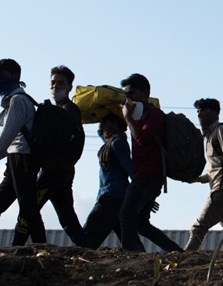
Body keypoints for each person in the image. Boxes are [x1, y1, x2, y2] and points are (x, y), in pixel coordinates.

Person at [13, 65, 89, 247]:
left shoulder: (69, 110)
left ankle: (16, 247)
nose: (55, 87)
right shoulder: (56, 110)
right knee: (67, 217)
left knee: (28, 211)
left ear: (70, 87)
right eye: (53, 83)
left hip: (54, 172)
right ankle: (87, 250)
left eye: (61, 83)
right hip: (62, 171)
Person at [0, 59, 46, 246]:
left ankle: (43, 247)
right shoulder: (16, 101)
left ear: (15, 76)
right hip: (16, 160)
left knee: (28, 208)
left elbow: (8, 137)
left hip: (23, 160)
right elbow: (11, 141)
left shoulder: (18, 101)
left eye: (1, 77)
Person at [119, 73, 181, 252]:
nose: (129, 100)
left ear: (145, 93)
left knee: (126, 215)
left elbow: (143, 139)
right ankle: (176, 252)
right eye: (127, 96)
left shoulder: (153, 114)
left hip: (150, 174)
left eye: (132, 94)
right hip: (144, 174)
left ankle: (131, 255)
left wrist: (128, 119)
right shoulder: (140, 116)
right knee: (140, 223)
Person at [184, 98, 223, 250]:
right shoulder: (208, 137)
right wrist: (198, 179)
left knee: (198, 228)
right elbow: (214, 170)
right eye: (198, 110)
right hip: (220, 188)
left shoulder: (221, 130)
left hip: (222, 190)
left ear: (215, 113)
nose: (199, 113)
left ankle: (183, 258)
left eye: (203, 109)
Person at [83, 115, 132, 249]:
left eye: (106, 123)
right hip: (116, 197)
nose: (103, 126)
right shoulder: (110, 142)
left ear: (115, 125)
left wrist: (142, 195)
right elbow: (100, 132)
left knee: (87, 238)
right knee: (130, 244)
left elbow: (131, 170)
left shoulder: (118, 144)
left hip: (112, 197)